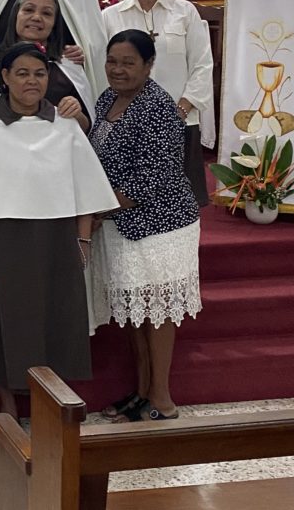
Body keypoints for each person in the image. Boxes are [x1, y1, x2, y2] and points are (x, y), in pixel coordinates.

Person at [0, 43, 118, 418]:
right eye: (22, 73)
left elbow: (87, 190)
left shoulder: (65, 127)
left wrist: (83, 239)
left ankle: (55, 402)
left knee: (61, 319)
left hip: (58, 237)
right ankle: (7, 403)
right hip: (5, 239)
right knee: (6, 322)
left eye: (39, 74)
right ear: (4, 78)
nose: (31, 81)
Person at [89, 29, 202, 422]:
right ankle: (142, 392)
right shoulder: (107, 98)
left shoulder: (158, 108)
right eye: (112, 61)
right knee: (135, 314)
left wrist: (94, 211)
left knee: (156, 312)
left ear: (149, 65)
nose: (117, 70)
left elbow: (150, 180)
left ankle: (162, 398)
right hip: (121, 225)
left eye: (128, 63)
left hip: (160, 225)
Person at [103, 0, 214, 206]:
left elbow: (202, 64)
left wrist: (182, 109)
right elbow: (102, 68)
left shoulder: (185, 12)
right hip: (126, 125)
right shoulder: (110, 17)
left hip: (179, 120)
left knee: (178, 202)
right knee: (130, 200)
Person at [0, 0, 93, 130]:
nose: (36, 17)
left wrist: (75, 112)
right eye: (28, 10)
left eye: (46, 13)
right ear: (16, 14)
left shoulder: (69, 63)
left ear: (55, 23)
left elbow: (86, 127)